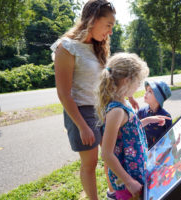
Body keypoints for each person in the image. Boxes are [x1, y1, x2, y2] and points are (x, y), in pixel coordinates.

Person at [51, 1, 138, 199]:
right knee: (89, 164)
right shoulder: (66, 47)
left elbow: (108, 79)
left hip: (103, 109)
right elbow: (63, 93)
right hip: (81, 111)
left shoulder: (99, 47)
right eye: (108, 25)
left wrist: (128, 96)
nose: (111, 31)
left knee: (112, 155)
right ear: (93, 19)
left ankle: (112, 193)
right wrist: (82, 126)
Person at [95, 52, 171, 200]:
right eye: (138, 82)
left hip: (135, 170)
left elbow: (129, 131)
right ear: (127, 81)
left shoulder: (124, 102)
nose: (139, 86)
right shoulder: (116, 111)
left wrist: (148, 120)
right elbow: (106, 154)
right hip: (127, 180)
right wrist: (128, 181)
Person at [137, 81, 172, 149]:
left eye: (150, 91)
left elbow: (169, 138)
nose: (145, 93)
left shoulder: (166, 116)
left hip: (157, 154)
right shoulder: (141, 112)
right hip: (142, 151)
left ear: (158, 98)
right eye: (146, 90)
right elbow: (134, 128)